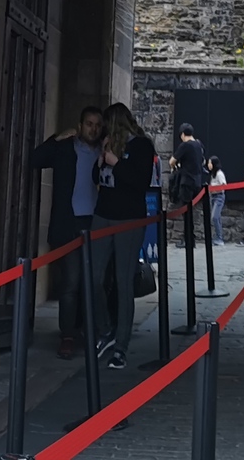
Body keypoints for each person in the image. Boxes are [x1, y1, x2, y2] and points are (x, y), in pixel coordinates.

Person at [28, 106, 105, 359]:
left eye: (97, 125)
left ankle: (93, 330)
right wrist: (56, 138)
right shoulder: (66, 148)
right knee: (71, 282)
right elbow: (35, 160)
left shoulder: (106, 151)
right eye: (89, 124)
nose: (93, 129)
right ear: (80, 125)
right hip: (70, 222)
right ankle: (68, 334)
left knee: (94, 282)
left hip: (97, 222)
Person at [89, 103, 156, 370]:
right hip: (103, 215)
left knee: (123, 280)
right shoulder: (105, 145)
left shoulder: (141, 145)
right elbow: (97, 177)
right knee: (93, 276)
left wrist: (116, 162)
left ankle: (120, 346)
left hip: (129, 218)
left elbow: (139, 182)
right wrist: (101, 159)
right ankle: (105, 328)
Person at [172, 123, 206, 205]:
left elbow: (172, 161)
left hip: (187, 182)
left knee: (185, 209)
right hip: (197, 182)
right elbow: (203, 161)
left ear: (182, 134)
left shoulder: (185, 145)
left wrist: (175, 167)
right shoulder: (199, 144)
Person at [207, 157, 229, 238]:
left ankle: (219, 237)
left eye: (210, 163)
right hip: (213, 196)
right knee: (217, 217)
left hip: (219, 196)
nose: (208, 165)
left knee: (215, 217)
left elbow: (224, 185)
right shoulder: (213, 174)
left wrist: (213, 186)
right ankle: (218, 237)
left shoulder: (219, 174)